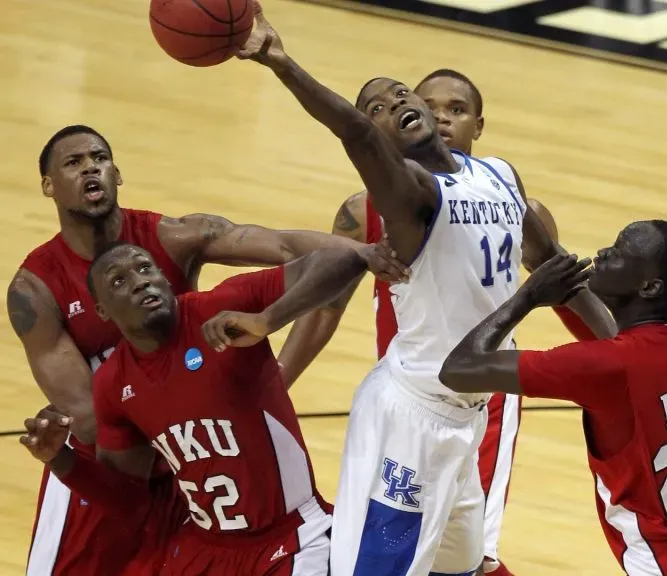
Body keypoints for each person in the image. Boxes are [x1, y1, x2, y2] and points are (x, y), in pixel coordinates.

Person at [239, 5, 617, 575]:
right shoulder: (412, 196)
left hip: (469, 415)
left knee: (462, 566)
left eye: (398, 94)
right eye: (379, 109)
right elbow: (355, 132)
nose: (396, 106)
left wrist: (625, 351)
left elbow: (555, 271)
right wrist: (282, 64)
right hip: (412, 418)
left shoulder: (500, 177)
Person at [10, 125, 403, 575]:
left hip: (195, 471)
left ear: (117, 173)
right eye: (73, 163)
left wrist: (367, 253)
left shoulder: (177, 244)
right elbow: (93, 424)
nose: (89, 169)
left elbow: (285, 245)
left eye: (98, 158)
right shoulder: (36, 289)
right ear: (47, 185)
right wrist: (204, 401)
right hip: (112, 465)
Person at [439, 221, 667, 575]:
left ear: (649, 286)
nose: (604, 253)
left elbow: (459, 368)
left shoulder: (610, 366)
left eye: (621, 253)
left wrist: (528, 296)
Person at [20, 239, 380, 574]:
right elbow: (132, 502)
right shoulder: (113, 384)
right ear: (101, 309)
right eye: (119, 281)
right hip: (205, 550)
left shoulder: (217, 309)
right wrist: (60, 460)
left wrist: (267, 319)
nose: (140, 282)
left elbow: (339, 259)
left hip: (292, 538)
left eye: (146, 269)